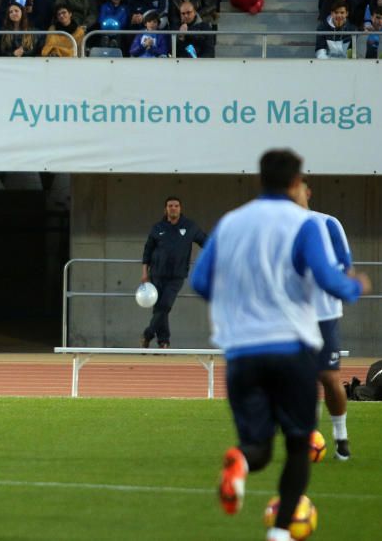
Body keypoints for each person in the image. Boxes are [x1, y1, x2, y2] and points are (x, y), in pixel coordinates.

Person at [189, 149, 369, 541]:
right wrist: (354, 286)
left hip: (242, 353)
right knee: (298, 445)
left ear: (260, 179)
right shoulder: (303, 224)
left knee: (258, 446)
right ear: (295, 182)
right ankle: (282, 532)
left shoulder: (232, 222)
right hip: (291, 348)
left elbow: (201, 282)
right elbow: (329, 278)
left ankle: (240, 461)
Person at [291, 179, 354, 460]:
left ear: (308, 192)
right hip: (292, 315)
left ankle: (341, 436)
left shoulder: (328, 223)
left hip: (324, 313)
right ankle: (308, 436)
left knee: (328, 377)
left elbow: (344, 265)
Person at [139, 195, 207, 348]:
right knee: (159, 309)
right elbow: (147, 251)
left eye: (176, 205)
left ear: (180, 208)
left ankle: (147, 334)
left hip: (176, 276)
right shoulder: (158, 228)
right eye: (170, 206)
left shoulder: (189, 227)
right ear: (166, 209)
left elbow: (206, 242)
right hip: (156, 274)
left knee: (165, 306)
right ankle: (164, 342)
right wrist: (144, 272)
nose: (173, 208)